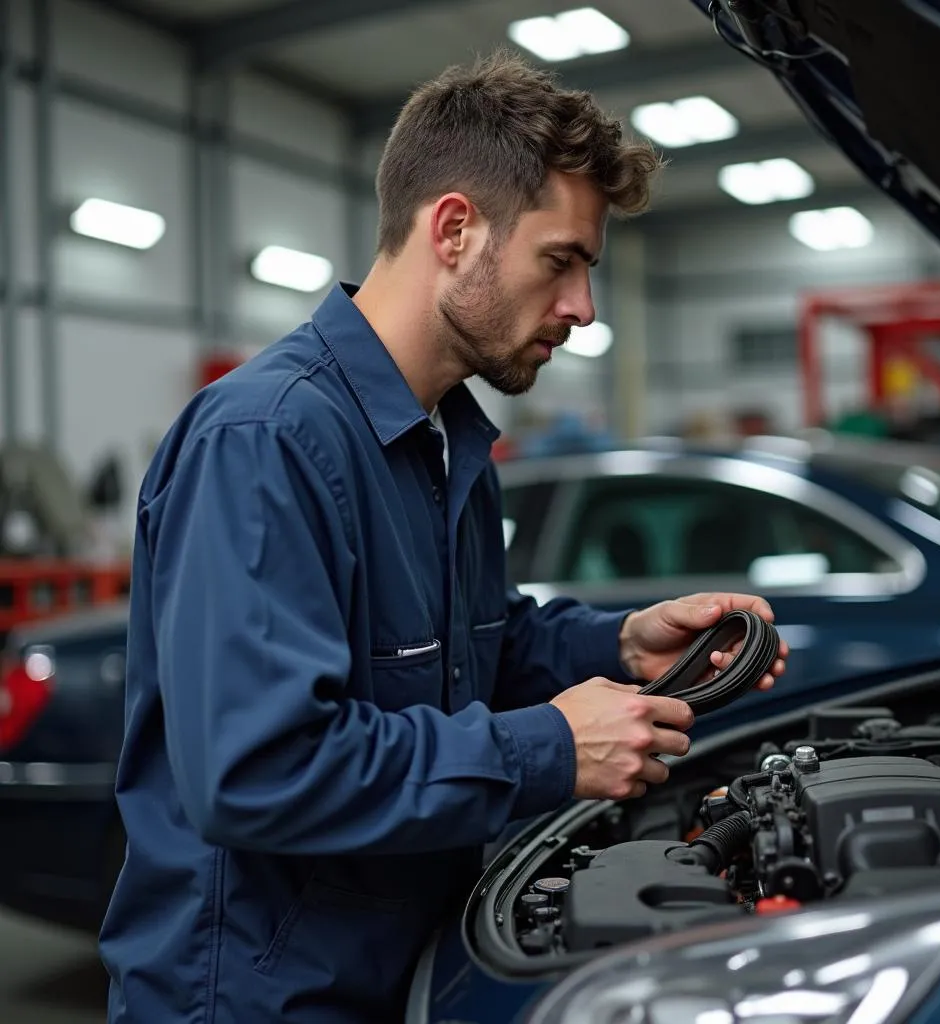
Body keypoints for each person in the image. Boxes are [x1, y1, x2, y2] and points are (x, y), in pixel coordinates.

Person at [99, 51, 789, 1024]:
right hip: (260, 1001)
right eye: (562, 260)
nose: (584, 311)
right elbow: (260, 769)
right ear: (455, 230)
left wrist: (619, 644)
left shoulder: (442, 437)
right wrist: (547, 749)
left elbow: (470, 650)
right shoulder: (266, 442)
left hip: (403, 973)